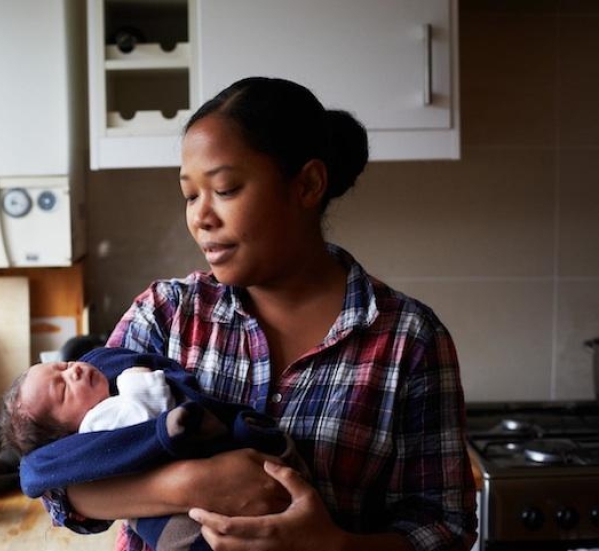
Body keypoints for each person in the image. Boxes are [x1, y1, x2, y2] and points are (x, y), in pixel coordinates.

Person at [36, 76, 478, 551]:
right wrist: (188, 485)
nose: (200, 217)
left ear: (307, 184)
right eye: (190, 195)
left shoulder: (408, 339)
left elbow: (444, 527)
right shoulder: (166, 315)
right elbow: (58, 483)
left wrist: (331, 546)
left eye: (224, 189)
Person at [1, 346, 305, 551]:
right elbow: (150, 409)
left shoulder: (104, 386)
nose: (74, 372)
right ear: (66, 435)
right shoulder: (98, 421)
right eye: (63, 389)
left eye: (65, 366)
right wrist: (187, 484)